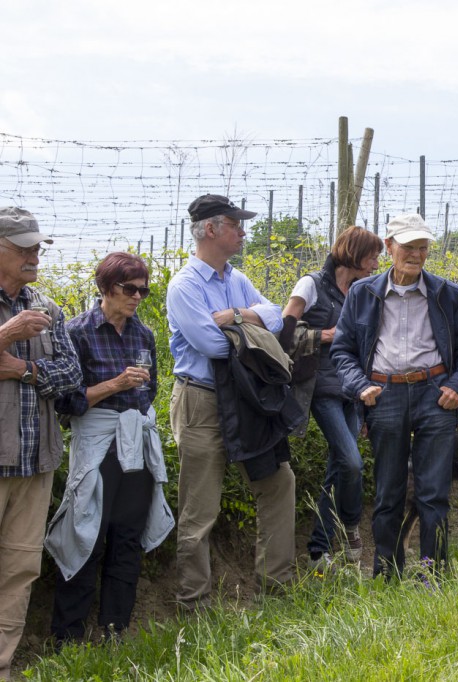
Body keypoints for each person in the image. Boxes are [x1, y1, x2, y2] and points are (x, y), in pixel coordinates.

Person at [332, 213, 458, 578]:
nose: (416, 255)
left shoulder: (447, 293)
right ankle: (387, 573)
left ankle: (433, 573)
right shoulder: (362, 294)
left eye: (422, 247)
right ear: (389, 246)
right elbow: (342, 351)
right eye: (408, 247)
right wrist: (359, 385)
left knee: (434, 493)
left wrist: (457, 387)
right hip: (384, 394)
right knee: (388, 494)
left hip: (435, 394)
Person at [167, 194, 294, 611]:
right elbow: (209, 344)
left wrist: (237, 316)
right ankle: (194, 605)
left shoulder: (235, 281)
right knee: (199, 508)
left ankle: (276, 590)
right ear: (210, 229)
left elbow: (275, 317)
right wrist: (250, 330)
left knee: (278, 482)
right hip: (201, 402)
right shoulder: (184, 285)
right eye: (235, 224)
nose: (243, 232)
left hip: (245, 398)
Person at [45, 252, 174, 645]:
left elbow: (149, 390)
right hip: (98, 445)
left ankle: (116, 629)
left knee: (127, 539)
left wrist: (132, 396)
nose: (137, 296)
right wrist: (114, 386)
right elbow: (66, 402)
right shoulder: (77, 331)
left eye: (143, 289)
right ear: (105, 287)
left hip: (136, 444)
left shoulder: (144, 334)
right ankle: (67, 637)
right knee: (87, 535)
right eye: (129, 288)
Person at [0, 207, 82, 680]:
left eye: (37, 246)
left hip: (34, 464)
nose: (35, 254)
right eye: (24, 246)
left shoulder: (48, 309)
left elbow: (71, 377)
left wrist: (22, 370)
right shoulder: (25, 317)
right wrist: (7, 334)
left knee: (17, 573)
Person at [282, 226, 382, 573]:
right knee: (351, 463)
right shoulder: (310, 285)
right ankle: (352, 525)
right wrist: (328, 334)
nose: (375, 263)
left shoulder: (363, 290)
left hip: (355, 391)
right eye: (372, 256)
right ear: (354, 254)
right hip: (322, 389)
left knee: (338, 468)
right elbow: (284, 331)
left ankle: (317, 552)